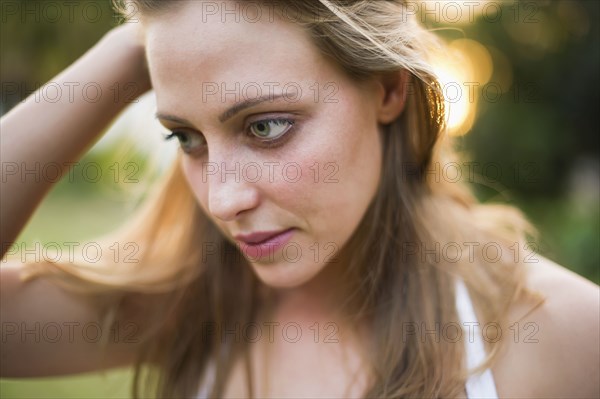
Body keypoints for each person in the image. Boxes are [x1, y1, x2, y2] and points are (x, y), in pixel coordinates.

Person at [1, 1, 598, 398]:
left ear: (388, 89)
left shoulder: (559, 331)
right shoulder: (193, 305)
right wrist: (138, 45)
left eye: (266, 127)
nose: (223, 197)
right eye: (186, 137)